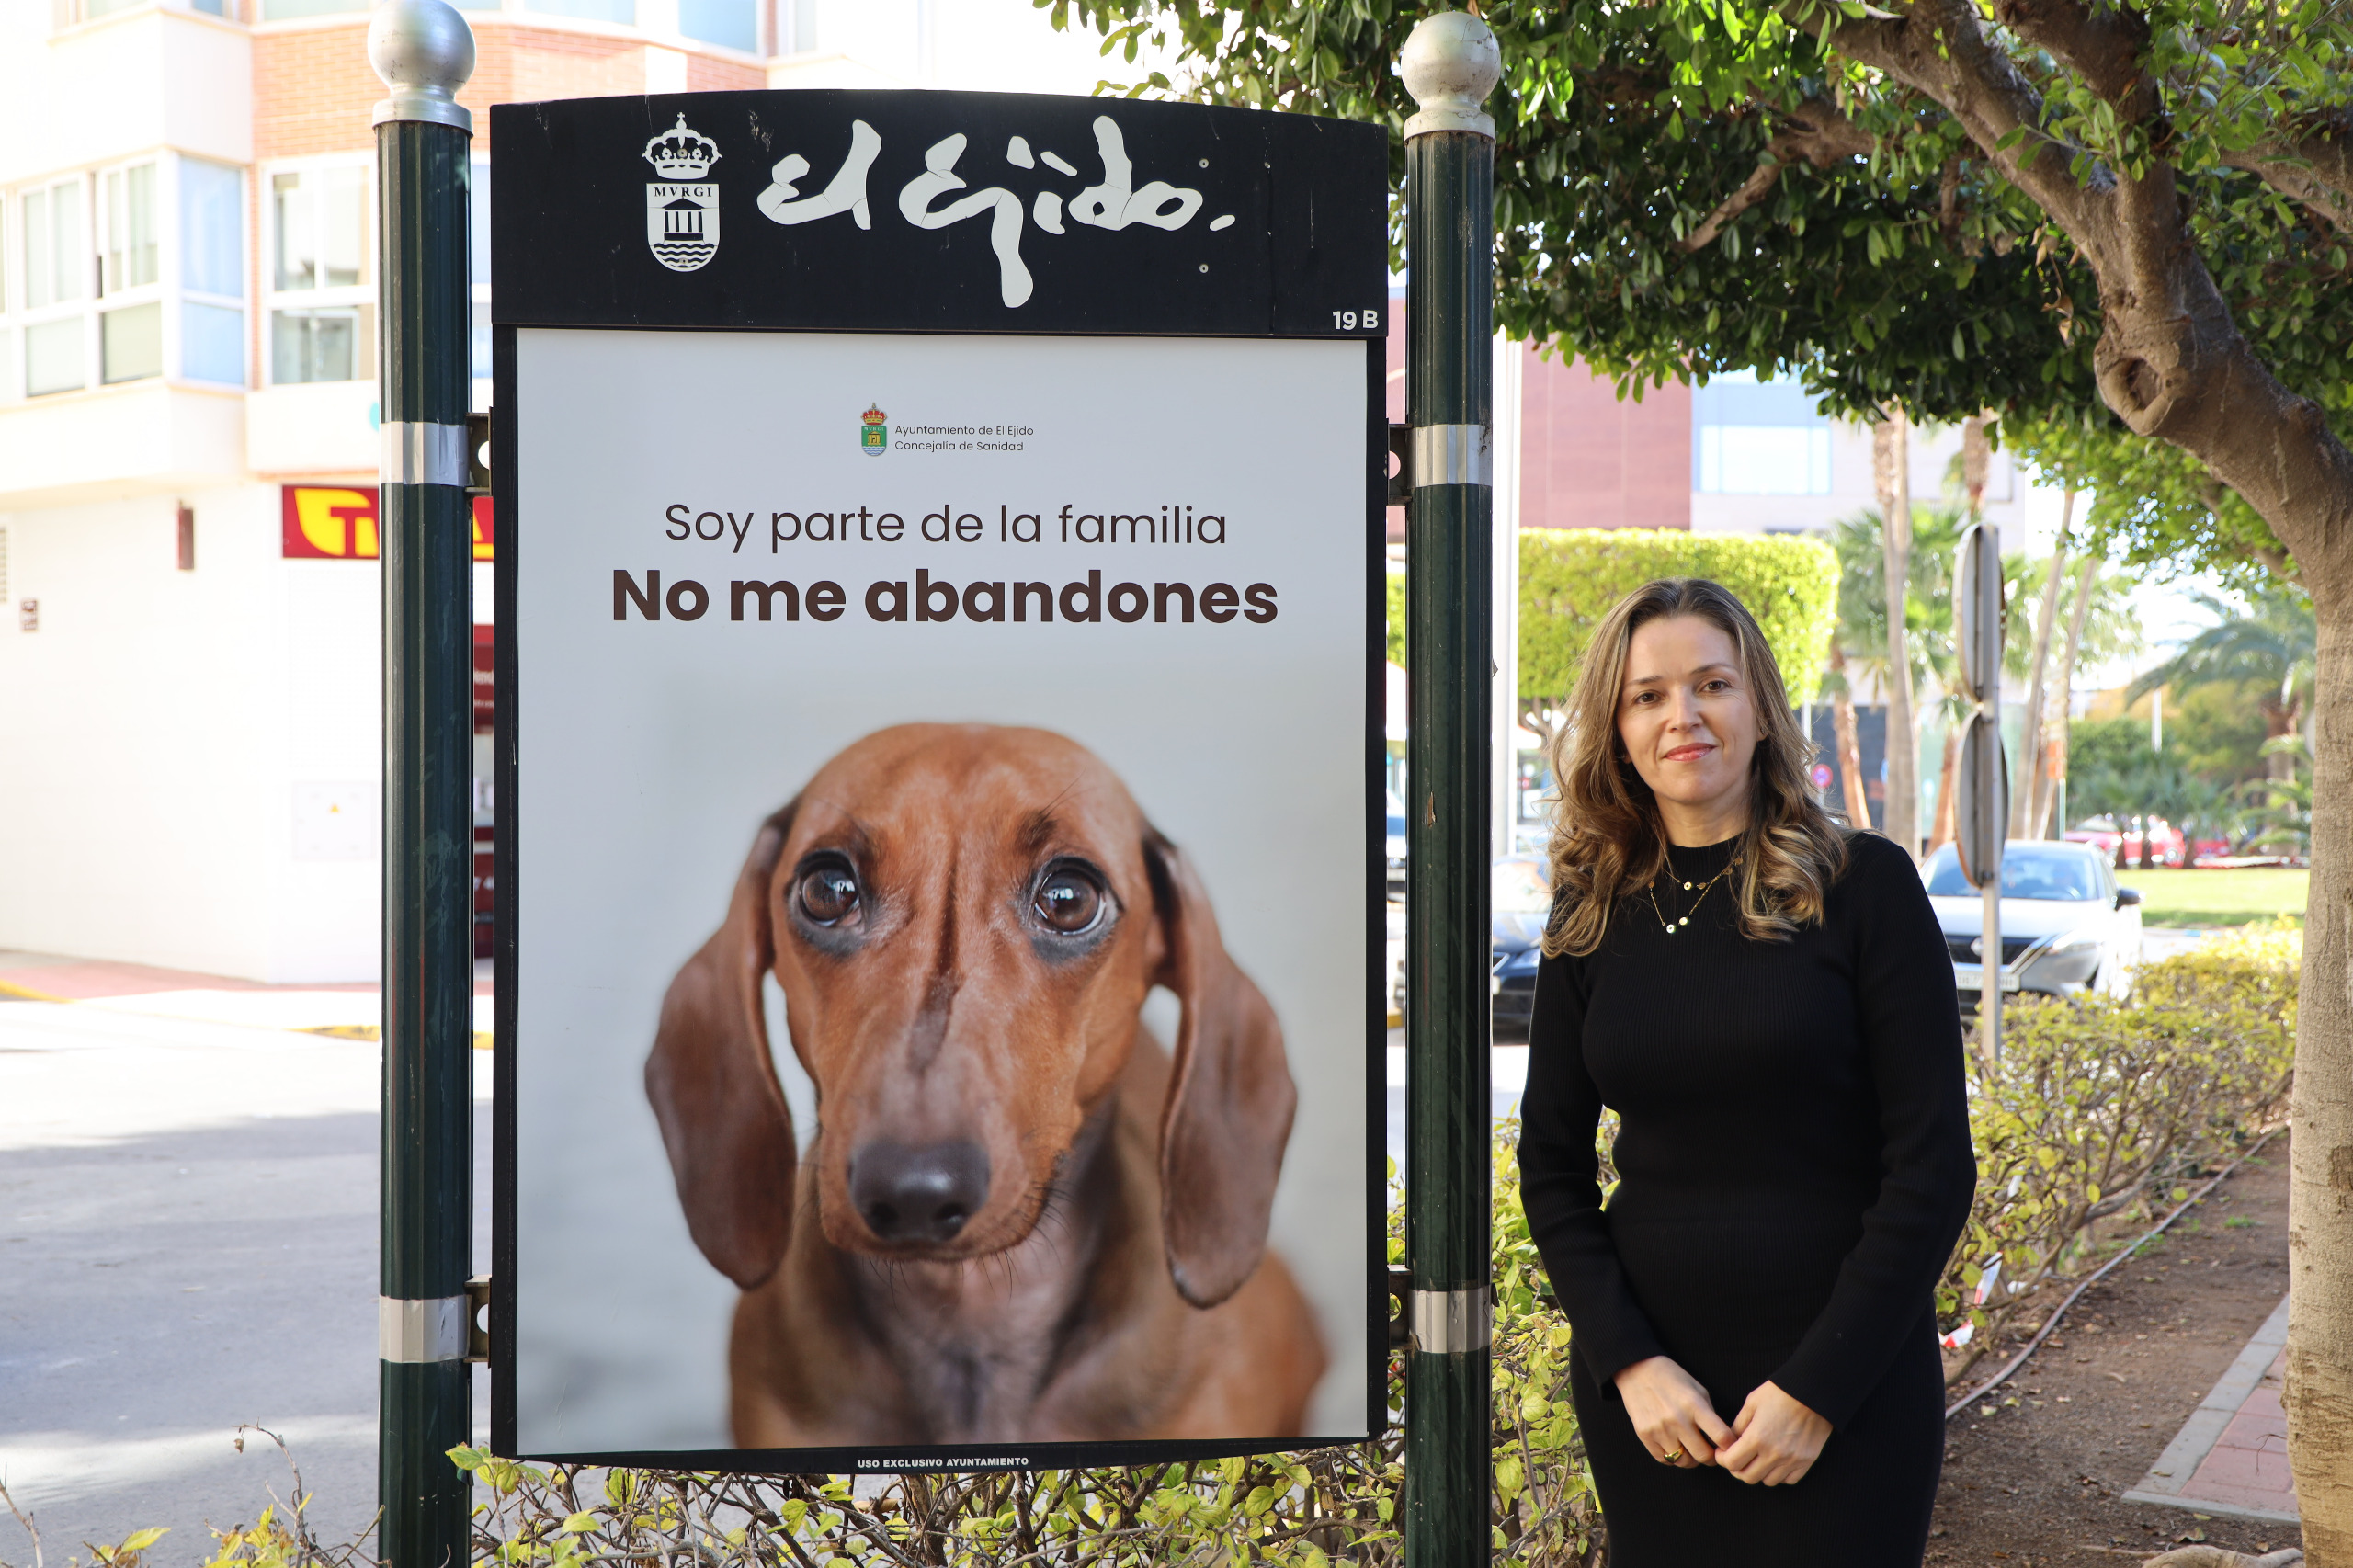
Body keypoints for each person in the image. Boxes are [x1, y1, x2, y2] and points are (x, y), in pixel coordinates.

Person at [1517, 577, 1975, 1566]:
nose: (1681, 715)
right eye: (1646, 695)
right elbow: (1549, 1163)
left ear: (1761, 708)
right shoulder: (1588, 910)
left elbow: (1931, 1167)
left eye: (1710, 683)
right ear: (1618, 728)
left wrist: (1816, 1390)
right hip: (1656, 1405)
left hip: (1847, 1391)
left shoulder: (1866, 887)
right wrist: (1628, 1362)